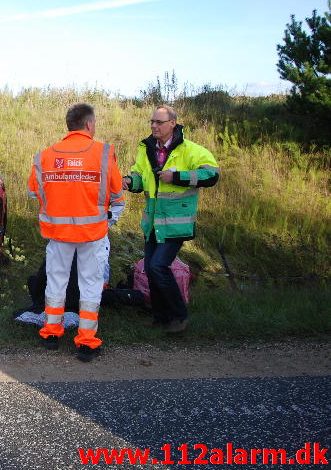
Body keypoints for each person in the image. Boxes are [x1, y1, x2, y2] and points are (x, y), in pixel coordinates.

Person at [27, 103, 125, 362]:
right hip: (92, 234)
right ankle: (86, 342)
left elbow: (33, 191)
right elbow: (117, 194)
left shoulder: (45, 156)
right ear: (89, 124)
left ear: (68, 125)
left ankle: (51, 333)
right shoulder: (103, 153)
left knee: (56, 282)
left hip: (58, 233)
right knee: (90, 286)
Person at [122, 105, 219, 333]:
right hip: (153, 223)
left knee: (157, 266)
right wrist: (129, 181)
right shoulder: (146, 149)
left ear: (172, 123)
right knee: (151, 269)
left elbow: (212, 174)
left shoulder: (190, 150)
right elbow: (140, 177)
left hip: (176, 224)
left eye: (159, 122)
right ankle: (160, 317)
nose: (154, 126)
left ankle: (178, 316)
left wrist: (177, 176)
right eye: (152, 122)